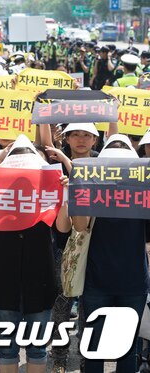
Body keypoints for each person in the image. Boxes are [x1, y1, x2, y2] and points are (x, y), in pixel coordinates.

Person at [0, 136, 70, 373]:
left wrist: (64, 196)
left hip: (40, 278)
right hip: (5, 279)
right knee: (7, 347)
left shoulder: (47, 195)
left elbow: (63, 227)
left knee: (37, 347)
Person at [70, 135, 150, 373]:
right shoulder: (90, 189)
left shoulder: (143, 193)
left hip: (128, 283)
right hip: (103, 282)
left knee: (120, 349)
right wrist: (76, 190)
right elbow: (80, 226)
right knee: (102, 347)